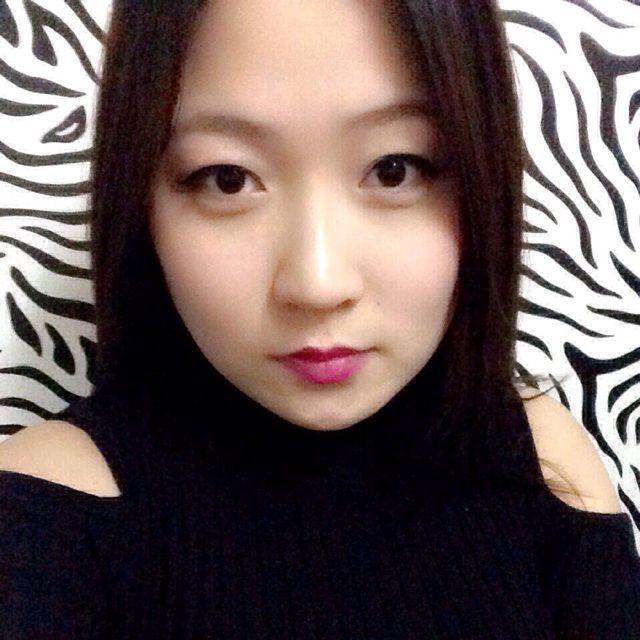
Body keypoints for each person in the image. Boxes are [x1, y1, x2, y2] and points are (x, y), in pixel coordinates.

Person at [1, 0, 638, 638]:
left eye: (395, 169)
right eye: (227, 179)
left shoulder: (539, 455)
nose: (317, 284)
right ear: (140, 198)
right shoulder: (45, 515)